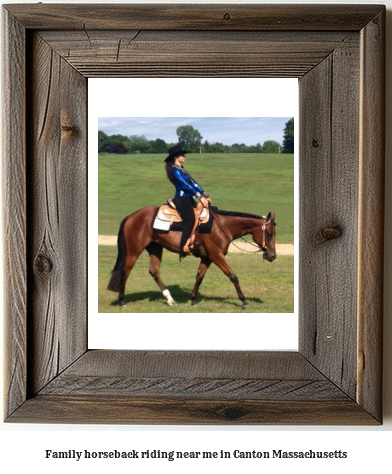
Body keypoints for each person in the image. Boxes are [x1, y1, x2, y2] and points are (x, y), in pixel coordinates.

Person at [164, 145, 211, 259]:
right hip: (181, 199)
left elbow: (193, 183)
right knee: (189, 219)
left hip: (188, 198)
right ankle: (183, 248)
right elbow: (185, 186)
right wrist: (200, 197)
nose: (184, 156)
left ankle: (198, 241)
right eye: (182, 155)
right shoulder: (175, 171)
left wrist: (205, 194)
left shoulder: (182, 169)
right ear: (175, 157)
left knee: (201, 214)